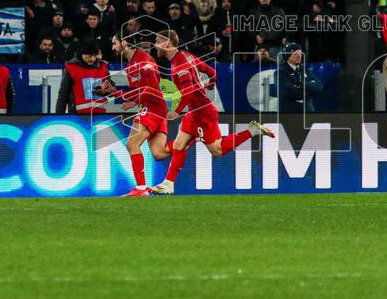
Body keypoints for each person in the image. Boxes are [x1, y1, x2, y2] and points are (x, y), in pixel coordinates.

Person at [148, 29, 274, 195]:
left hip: (202, 113)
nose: (155, 45)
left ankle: (253, 131)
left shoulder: (179, 66)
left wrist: (176, 111)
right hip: (194, 112)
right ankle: (168, 184)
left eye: (157, 41)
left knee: (218, 149)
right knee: (179, 145)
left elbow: (189, 90)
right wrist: (211, 83)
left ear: (167, 43)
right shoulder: (187, 55)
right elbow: (211, 71)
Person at [100, 32, 172, 197]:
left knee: (132, 144)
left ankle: (141, 189)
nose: (113, 47)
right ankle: (185, 142)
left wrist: (116, 93)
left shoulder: (145, 63)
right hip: (154, 108)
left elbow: (151, 90)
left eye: (114, 43)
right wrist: (132, 101)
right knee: (158, 153)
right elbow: (141, 90)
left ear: (124, 43)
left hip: (153, 109)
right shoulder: (131, 63)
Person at [55, 39, 110, 115]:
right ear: (82, 54)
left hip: (100, 115)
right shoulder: (71, 67)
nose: (93, 59)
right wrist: (59, 117)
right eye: (90, 56)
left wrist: (107, 90)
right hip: (76, 115)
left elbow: (111, 87)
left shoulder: (103, 67)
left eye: (95, 56)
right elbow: (63, 95)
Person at [277, 43, 323, 112]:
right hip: (289, 113)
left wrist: (301, 84)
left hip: (308, 111)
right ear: (288, 56)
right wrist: (310, 89)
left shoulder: (305, 70)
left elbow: (319, 87)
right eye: (295, 53)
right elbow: (289, 93)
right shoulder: (281, 72)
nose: (299, 55)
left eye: (300, 53)